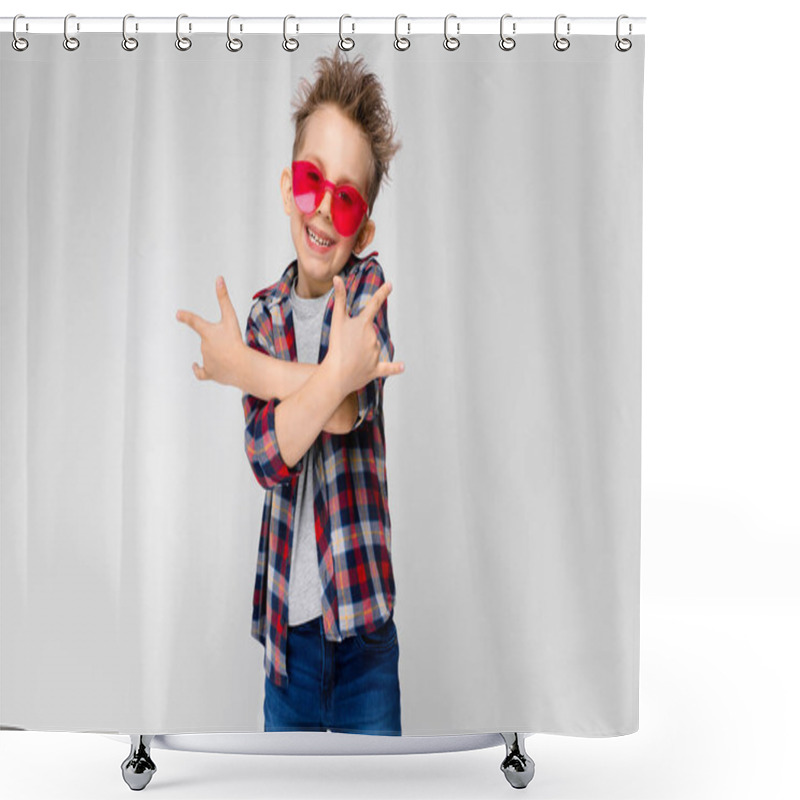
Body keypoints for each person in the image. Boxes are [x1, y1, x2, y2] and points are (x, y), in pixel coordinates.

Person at [176, 49, 404, 735]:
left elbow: (340, 410)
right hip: (288, 644)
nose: (324, 211)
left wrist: (244, 370)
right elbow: (269, 457)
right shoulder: (264, 316)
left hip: (364, 639)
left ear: (362, 228)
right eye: (312, 183)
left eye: (346, 197)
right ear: (286, 189)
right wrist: (327, 373)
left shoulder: (366, 293)